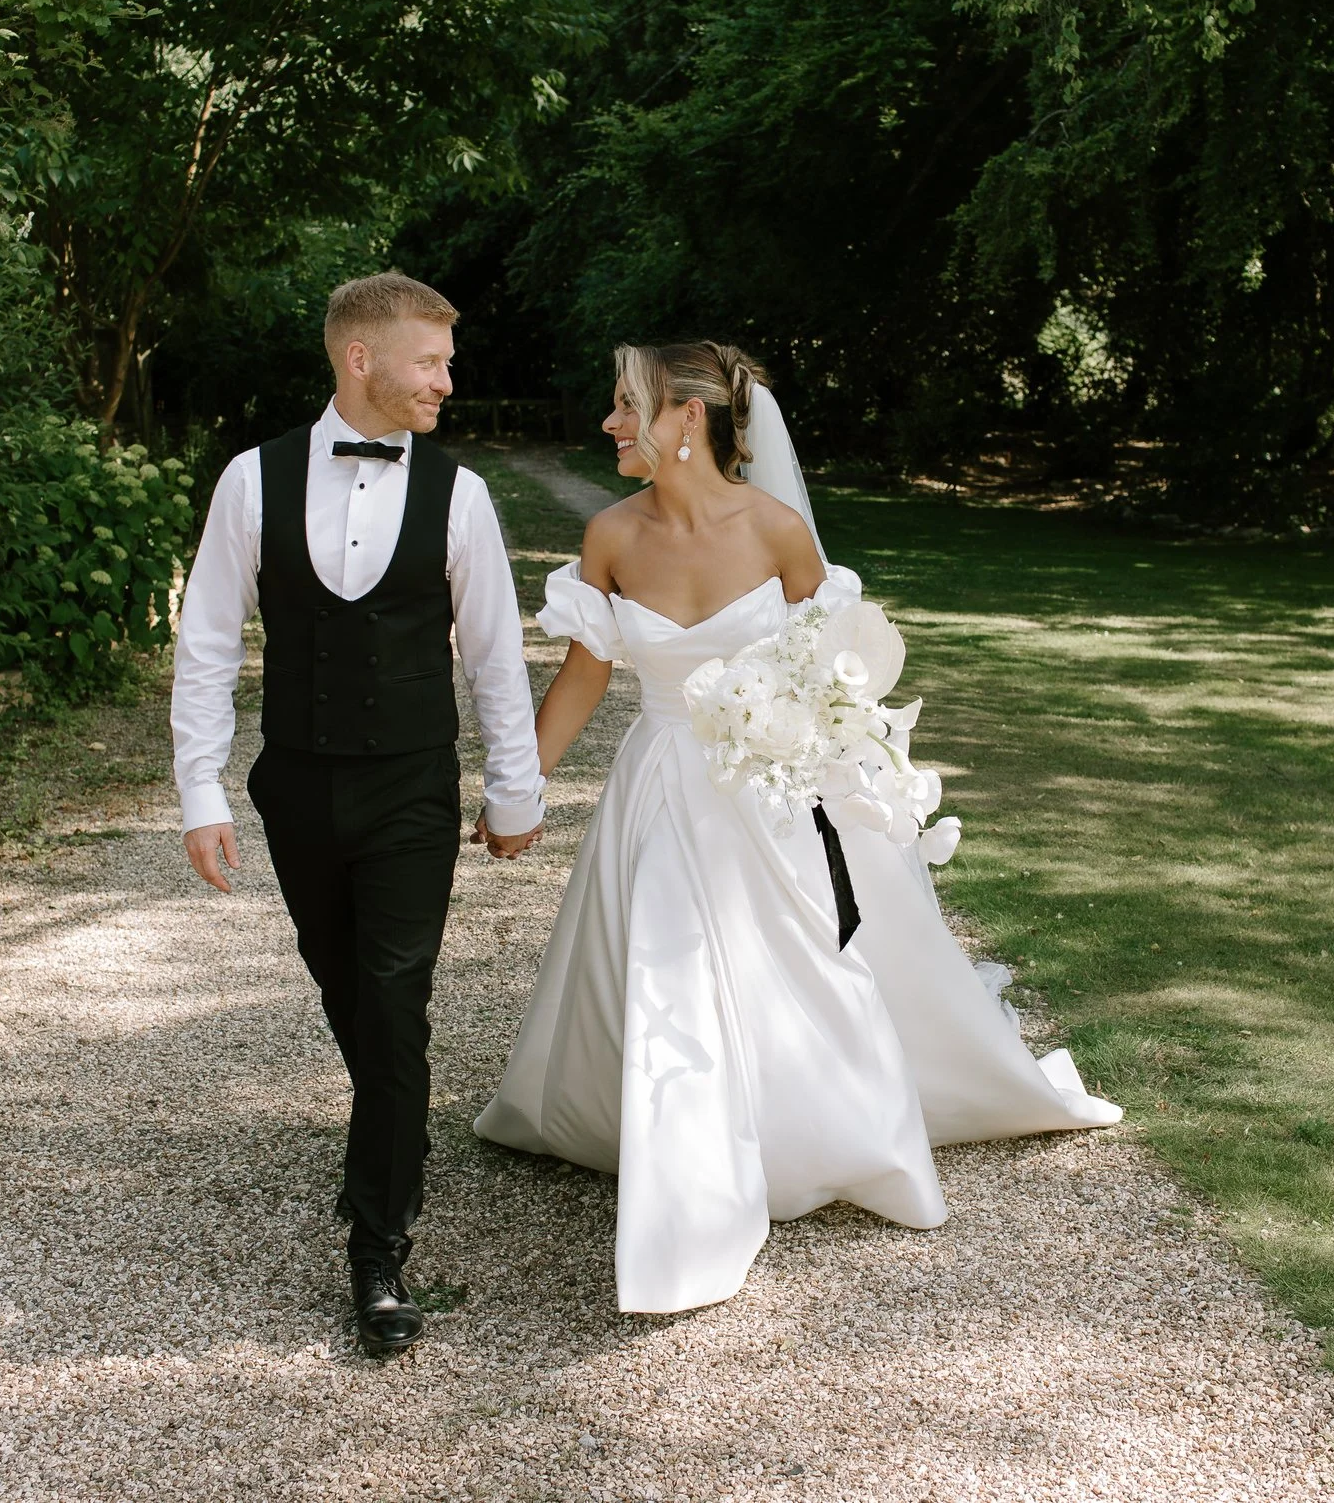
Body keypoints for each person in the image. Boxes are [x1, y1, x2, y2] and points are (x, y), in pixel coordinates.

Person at [476, 342, 1121, 1314]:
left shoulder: (779, 533)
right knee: (668, 965)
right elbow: (583, 676)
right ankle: (685, 1183)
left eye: (624, 406)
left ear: (686, 417)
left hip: (768, 792)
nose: (608, 424)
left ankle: (814, 1133)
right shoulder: (610, 535)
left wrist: (837, 774)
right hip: (659, 790)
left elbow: (828, 676)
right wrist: (513, 788)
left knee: (797, 960)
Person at [171, 272, 545, 1357]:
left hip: (410, 789)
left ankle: (376, 1245)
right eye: (430, 360)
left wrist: (512, 788)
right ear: (360, 359)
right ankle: (394, 1121)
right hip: (295, 782)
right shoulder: (252, 480)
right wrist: (200, 789)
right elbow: (204, 645)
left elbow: (493, 660)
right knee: (346, 986)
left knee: (390, 1000)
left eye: (446, 360)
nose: (447, 379)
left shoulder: (460, 493)